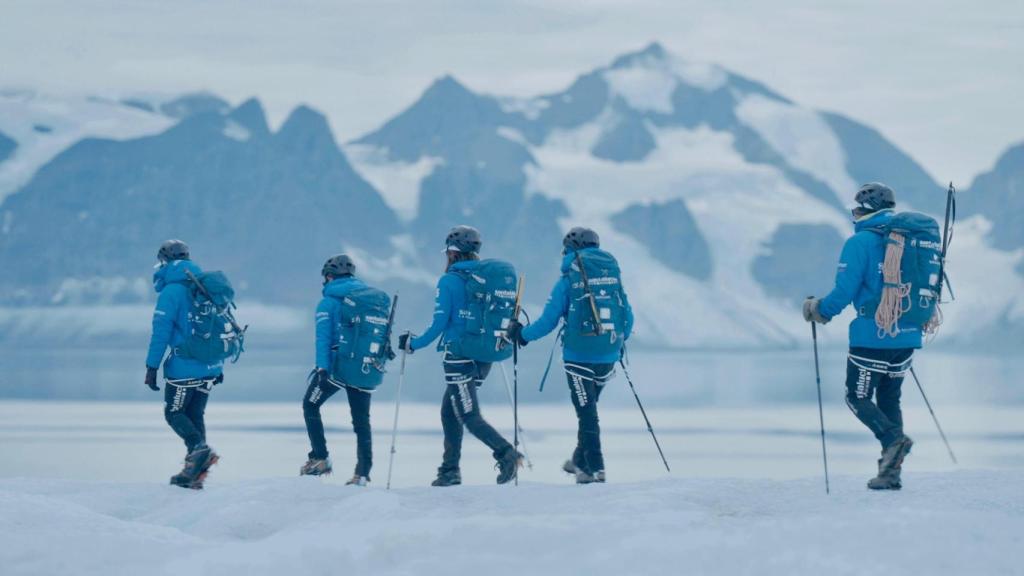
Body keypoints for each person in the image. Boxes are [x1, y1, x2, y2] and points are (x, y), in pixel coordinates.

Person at [803, 183, 919, 490]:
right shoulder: (907, 239)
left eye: (855, 209)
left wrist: (820, 310)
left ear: (865, 211)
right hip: (906, 335)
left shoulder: (860, 242)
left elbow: (845, 290)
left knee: (856, 397)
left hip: (873, 335)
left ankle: (895, 441)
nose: (853, 215)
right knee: (889, 399)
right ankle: (890, 473)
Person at [398, 225, 522, 487]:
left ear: (452, 252)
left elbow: (439, 323)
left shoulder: (449, 281)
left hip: (459, 357)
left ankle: (506, 453)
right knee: (449, 411)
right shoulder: (484, 279)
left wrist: (413, 344)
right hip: (484, 356)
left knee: (468, 414)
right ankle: (449, 470)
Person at [507, 227, 633, 484]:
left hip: (579, 357)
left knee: (586, 413)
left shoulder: (568, 282)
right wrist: (617, 343)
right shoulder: (612, 277)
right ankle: (580, 463)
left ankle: (597, 469)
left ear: (569, 250)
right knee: (589, 409)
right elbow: (627, 318)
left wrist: (521, 334)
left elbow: (548, 321)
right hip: (608, 356)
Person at [145, 239, 222, 489]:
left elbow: (161, 333)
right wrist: (218, 367)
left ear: (164, 261)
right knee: (195, 413)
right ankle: (195, 472)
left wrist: (151, 367)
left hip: (184, 366)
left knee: (174, 413)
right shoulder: (203, 286)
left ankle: (198, 453)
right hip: (210, 366)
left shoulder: (172, 292)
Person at [300, 255, 381, 486]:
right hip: (364, 365)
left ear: (328, 277)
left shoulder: (328, 302)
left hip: (338, 367)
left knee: (310, 404)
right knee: (361, 421)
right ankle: (362, 473)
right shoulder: (367, 299)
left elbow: (323, 339)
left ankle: (319, 458)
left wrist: (322, 369)